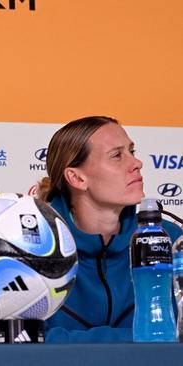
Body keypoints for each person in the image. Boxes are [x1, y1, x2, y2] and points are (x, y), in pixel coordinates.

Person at [38, 116, 182, 342]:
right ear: (76, 177)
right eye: (117, 156)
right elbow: (27, 342)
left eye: (132, 152)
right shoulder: (33, 247)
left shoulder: (167, 239)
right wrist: (140, 339)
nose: (137, 163)